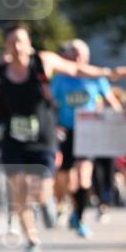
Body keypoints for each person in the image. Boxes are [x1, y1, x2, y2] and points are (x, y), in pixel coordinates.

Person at [0, 24, 126, 252]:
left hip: (43, 137)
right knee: (19, 190)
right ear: (6, 47)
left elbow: (75, 69)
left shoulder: (43, 62)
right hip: (13, 139)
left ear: (29, 44)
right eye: (11, 42)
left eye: (20, 41)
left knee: (41, 189)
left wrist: (107, 73)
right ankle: (32, 240)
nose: (16, 46)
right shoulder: (0, 75)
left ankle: (48, 203)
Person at [52, 38, 124, 237]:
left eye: (78, 53)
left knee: (84, 175)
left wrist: (118, 121)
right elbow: (51, 103)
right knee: (65, 175)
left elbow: (112, 101)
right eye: (71, 53)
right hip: (66, 131)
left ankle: (79, 217)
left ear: (86, 56)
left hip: (89, 132)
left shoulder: (96, 77)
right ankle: (62, 206)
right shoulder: (61, 78)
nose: (74, 57)